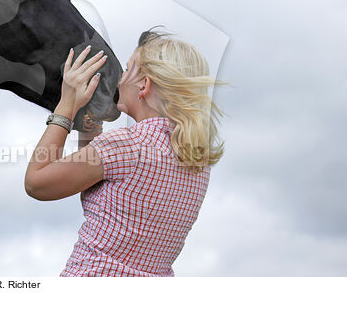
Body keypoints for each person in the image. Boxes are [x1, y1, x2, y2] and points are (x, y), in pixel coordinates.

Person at [24, 28, 225, 277]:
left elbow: (37, 183)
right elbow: (103, 198)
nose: (119, 79)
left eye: (128, 70)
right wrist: (91, 120)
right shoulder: (197, 161)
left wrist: (66, 104)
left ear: (144, 85)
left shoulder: (127, 145)